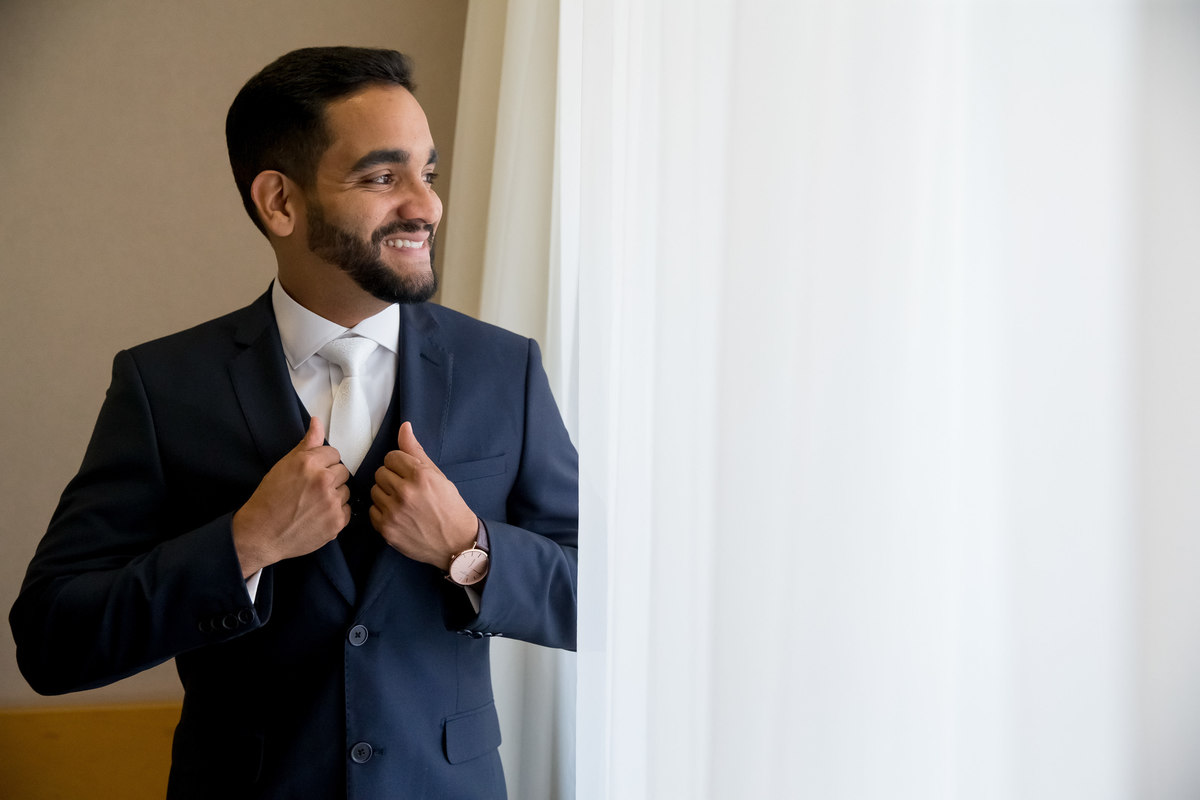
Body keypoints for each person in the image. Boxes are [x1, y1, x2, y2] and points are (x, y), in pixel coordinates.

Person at [8, 46, 577, 800]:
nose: (427, 205)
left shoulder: (504, 370)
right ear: (279, 202)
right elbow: (53, 640)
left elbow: (602, 601)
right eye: (383, 176)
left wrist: (470, 550)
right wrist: (244, 544)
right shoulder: (164, 386)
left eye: (428, 173)